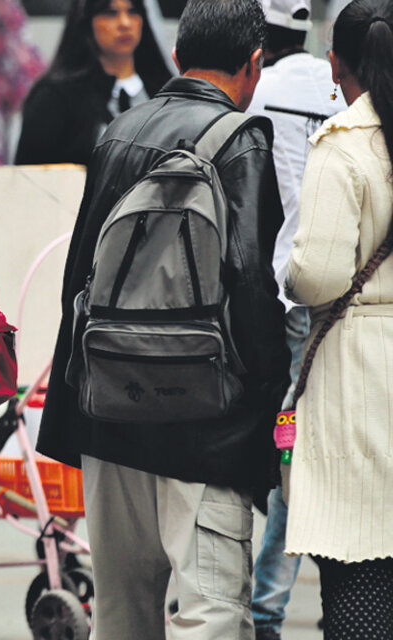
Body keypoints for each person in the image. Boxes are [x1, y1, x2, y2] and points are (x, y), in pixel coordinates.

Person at [36, 0, 290, 637]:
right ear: (254, 64)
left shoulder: (119, 131)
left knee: (122, 613)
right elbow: (253, 287)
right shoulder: (239, 141)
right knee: (209, 611)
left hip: (110, 407)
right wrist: (268, 399)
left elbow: (79, 277)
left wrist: (73, 407)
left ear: (177, 58)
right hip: (203, 418)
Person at [284, 1, 393, 637]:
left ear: (336, 66)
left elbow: (316, 277)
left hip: (359, 369)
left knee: (360, 558)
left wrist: (289, 272)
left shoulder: (344, 145)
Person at [245, 1, 344, 638]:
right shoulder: (342, 89)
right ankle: (265, 608)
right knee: (300, 457)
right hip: (335, 303)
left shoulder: (258, 94)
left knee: (277, 452)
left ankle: (257, 608)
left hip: (269, 299)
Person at [14, 0, 172, 166]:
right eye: (110, 13)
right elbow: (31, 178)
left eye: (133, 12)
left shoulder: (167, 92)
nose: (125, 23)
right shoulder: (54, 97)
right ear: (86, 20)